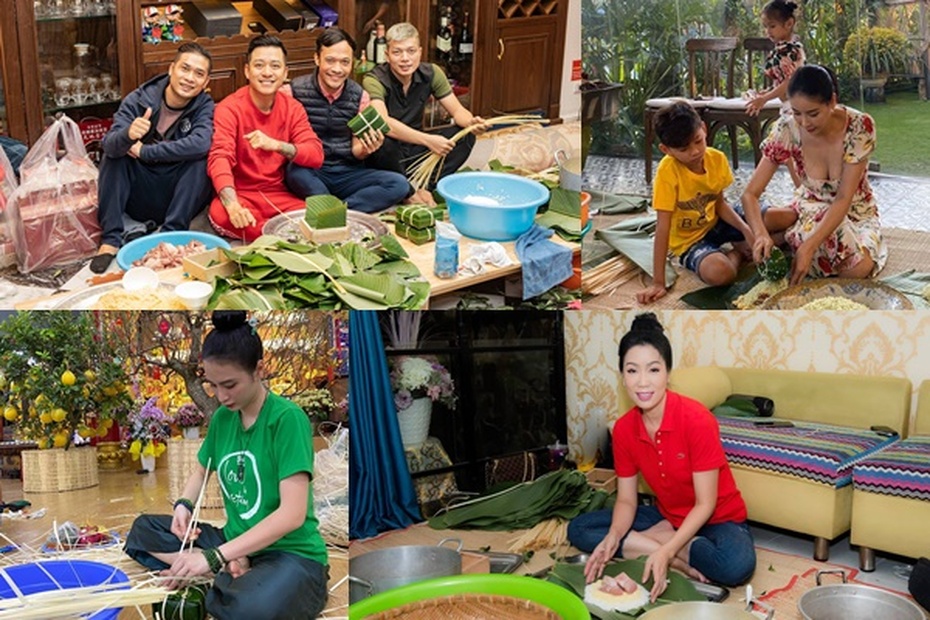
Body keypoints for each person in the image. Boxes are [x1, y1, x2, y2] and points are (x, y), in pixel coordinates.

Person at [124, 311, 329, 619]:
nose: (221, 396)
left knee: (253, 609)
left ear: (259, 370)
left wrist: (214, 557)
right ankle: (229, 569)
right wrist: (183, 506)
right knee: (143, 529)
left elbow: (292, 515)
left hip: (289, 553)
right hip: (233, 540)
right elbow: (201, 471)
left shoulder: (287, 419)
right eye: (213, 386)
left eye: (230, 384)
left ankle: (220, 571)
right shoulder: (222, 418)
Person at [567, 313, 755, 602]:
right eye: (632, 371)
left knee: (735, 566)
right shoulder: (625, 429)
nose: (643, 382)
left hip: (718, 518)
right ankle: (676, 553)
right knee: (581, 529)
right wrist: (614, 536)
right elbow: (627, 500)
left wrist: (666, 549)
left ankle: (667, 545)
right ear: (622, 376)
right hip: (668, 515)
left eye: (653, 370)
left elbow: (706, 504)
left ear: (668, 373)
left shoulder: (697, 420)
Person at [741, 64, 886, 285]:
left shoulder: (859, 126)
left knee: (857, 269)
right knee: (756, 220)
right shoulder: (787, 128)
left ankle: (790, 237)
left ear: (832, 101)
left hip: (854, 211)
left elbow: (843, 198)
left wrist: (808, 247)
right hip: (809, 205)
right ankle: (785, 234)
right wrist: (760, 234)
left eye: (813, 113)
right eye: (797, 113)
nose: (805, 123)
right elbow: (750, 194)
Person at [91, 42, 215, 274]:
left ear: (206, 82)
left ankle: (171, 236)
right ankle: (111, 239)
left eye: (198, 74)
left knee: (201, 159)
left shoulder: (204, 105)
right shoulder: (139, 99)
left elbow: (201, 142)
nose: (189, 78)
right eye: (184, 69)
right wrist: (128, 135)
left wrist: (146, 151)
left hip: (177, 195)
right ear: (171, 69)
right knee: (115, 155)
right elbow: (108, 143)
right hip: (140, 192)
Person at [637, 101, 761, 305]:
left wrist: (746, 229)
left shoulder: (716, 158)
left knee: (783, 217)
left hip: (717, 222)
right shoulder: (667, 173)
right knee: (722, 273)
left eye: (698, 141)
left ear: (703, 128)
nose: (694, 152)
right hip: (690, 241)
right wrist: (658, 282)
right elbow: (663, 227)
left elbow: (720, 204)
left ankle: (743, 241)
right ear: (666, 149)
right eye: (684, 149)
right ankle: (737, 253)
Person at [207, 35, 324, 242]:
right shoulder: (229, 108)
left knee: (319, 219)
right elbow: (219, 157)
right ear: (247, 71)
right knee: (223, 214)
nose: (267, 73)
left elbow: (316, 154)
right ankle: (279, 238)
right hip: (241, 194)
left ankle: (274, 238)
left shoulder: (292, 108)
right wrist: (232, 204)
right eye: (259, 65)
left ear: (285, 73)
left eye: (275, 66)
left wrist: (276, 145)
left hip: (279, 195)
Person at [285, 28, 411, 213]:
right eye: (330, 60)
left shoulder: (360, 97)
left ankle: (339, 211)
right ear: (317, 59)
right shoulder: (293, 91)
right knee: (295, 173)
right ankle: (336, 207)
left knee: (399, 184)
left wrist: (368, 148)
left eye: (345, 62)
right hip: (310, 170)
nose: (337, 69)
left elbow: (357, 151)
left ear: (352, 63)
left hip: (347, 172)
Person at [362, 22, 486, 203]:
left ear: (420, 52)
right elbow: (383, 122)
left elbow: (457, 110)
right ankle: (408, 193)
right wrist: (428, 140)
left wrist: (471, 123)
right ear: (387, 55)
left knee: (464, 136)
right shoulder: (374, 79)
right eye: (397, 52)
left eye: (411, 51)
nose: (405, 58)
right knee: (382, 141)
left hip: (414, 149)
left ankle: (427, 186)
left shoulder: (432, 73)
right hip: (389, 154)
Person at [745, 0, 805, 117]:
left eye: (772, 26)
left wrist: (765, 99)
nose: (768, 31)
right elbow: (782, 81)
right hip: (788, 105)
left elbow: (790, 82)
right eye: (765, 27)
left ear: (789, 23)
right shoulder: (782, 49)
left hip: (795, 106)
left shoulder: (790, 51)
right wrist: (769, 91)